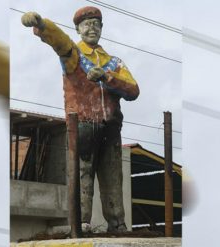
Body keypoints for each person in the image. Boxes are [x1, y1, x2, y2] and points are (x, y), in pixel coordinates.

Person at [21, 6, 139, 232]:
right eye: (86, 24)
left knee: (113, 176)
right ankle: (81, 222)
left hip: (111, 127)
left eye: (96, 24)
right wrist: (43, 25)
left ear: (102, 28)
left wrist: (107, 77)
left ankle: (117, 224)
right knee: (81, 175)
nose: (92, 28)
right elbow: (60, 42)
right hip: (82, 124)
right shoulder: (75, 55)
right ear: (78, 28)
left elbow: (133, 90)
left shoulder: (114, 63)